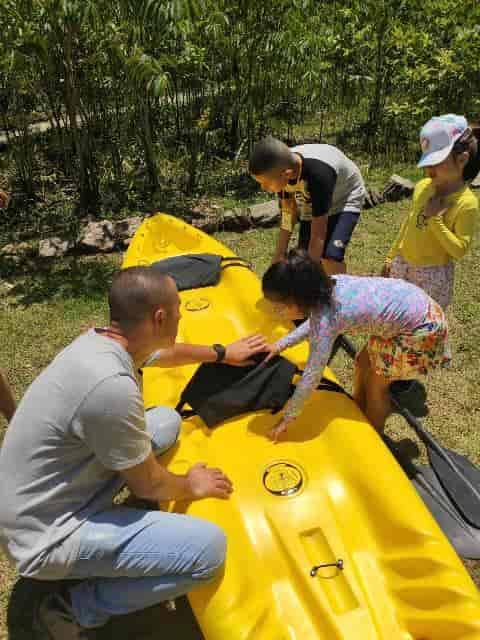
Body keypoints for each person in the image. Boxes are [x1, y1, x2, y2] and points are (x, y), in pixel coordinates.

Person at [0, 266, 267, 639]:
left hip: (39, 494)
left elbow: (166, 354)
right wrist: (191, 484)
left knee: (164, 422)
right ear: (160, 317)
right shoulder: (110, 387)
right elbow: (150, 485)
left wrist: (222, 353)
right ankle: (74, 609)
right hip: (45, 534)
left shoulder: (100, 341)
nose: (181, 313)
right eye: (178, 308)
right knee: (207, 551)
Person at [262, 251, 448, 438]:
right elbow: (314, 324)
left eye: (280, 307)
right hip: (416, 305)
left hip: (421, 330)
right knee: (362, 362)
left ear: (300, 299)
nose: (279, 313)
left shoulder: (327, 319)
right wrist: (280, 345)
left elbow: (312, 375)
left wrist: (289, 416)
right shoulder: (328, 285)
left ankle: (373, 438)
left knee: (377, 385)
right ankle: (358, 409)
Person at [382, 114, 480, 310]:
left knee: (423, 327)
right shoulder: (423, 186)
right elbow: (409, 224)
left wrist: (435, 219)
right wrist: (391, 256)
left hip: (432, 276)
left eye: (436, 162)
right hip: (403, 264)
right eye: (427, 161)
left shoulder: (466, 203)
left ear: (462, 159)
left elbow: (459, 250)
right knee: (394, 315)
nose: (428, 169)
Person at [249, 137, 365, 276]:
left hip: (345, 197)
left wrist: (309, 275)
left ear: (287, 174)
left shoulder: (318, 175)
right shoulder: (280, 167)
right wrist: (279, 254)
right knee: (303, 257)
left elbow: (318, 235)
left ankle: (340, 293)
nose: (263, 188)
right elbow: (288, 214)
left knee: (330, 256)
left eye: (266, 183)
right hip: (313, 199)